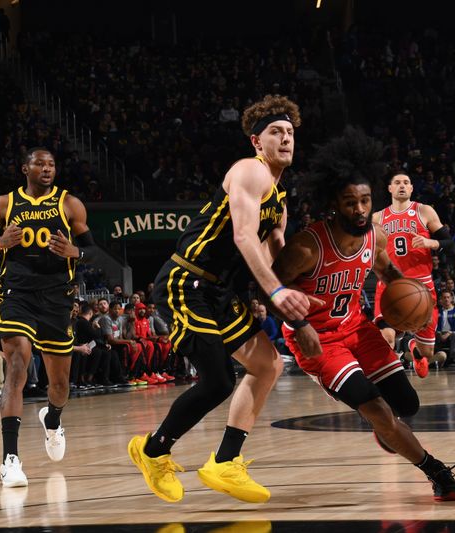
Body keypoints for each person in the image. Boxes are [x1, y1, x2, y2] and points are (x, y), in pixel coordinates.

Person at [127, 95, 318, 504]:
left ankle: (225, 461)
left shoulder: (281, 201)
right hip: (186, 281)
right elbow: (244, 237)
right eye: (275, 132)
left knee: (267, 364)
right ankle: (152, 450)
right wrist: (277, 292)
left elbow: (278, 261)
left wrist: (302, 316)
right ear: (256, 141)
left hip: (221, 291)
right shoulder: (250, 172)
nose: (285, 138)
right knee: (217, 381)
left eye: (290, 132)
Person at [272, 127, 455, 501]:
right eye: (349, 202)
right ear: (334, 203)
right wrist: (298, 322)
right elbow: (269, 285)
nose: (359, 210)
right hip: (318, 339)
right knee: (376, 407)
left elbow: (390, 274)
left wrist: (413, 300)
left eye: (364, 201)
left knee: (407, 405)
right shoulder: (307, 246)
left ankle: (383, 425)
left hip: (356, 327)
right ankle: (434, 469)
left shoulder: (375, 236)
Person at [0, 147, 96, 487]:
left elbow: (96, 251)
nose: (47, 168)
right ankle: (10, 459)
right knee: (16, 365)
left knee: (59, 386)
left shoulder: (70, 204)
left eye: (52, 164)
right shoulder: (3, 204)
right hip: (17, 295)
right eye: (40, 163)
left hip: (57, 299)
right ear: (24, 167)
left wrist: (76, 252)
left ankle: (52, 419)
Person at [372, 173, 455, 378]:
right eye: (397, 183)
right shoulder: (377, 217)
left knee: (427, 351)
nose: (402, 186)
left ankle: (415, 349)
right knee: (386, 337)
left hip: (421, 285)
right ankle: (389, 385)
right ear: (390, 189)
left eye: (406, 183)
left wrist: (432, 243)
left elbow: (450, 244)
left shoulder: (424, 211)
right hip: (390, 283)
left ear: (411, 189)